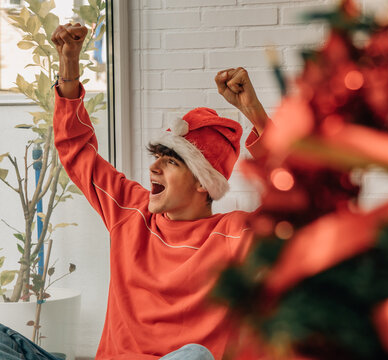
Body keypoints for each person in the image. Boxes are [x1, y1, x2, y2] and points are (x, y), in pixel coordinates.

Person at [0, 23, 270, 360]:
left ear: (204, 182)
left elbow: (299, 200)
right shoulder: (131, 211)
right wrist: (69, 65)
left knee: (195, 356)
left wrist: (254, 113)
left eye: (170, 162)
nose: (154, 168)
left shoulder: (235, 235)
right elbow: (77, 151)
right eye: (156, 157)